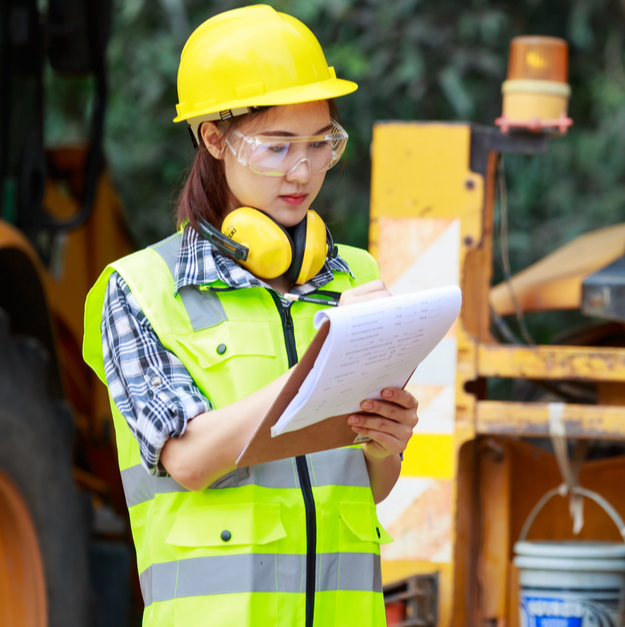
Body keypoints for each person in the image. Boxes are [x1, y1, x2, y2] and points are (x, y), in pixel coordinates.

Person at [82, 6, 415, 626]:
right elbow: (186, 459)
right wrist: (318, 369)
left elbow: (364, 488)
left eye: (321, 144)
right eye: (277, 147)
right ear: (214, 138)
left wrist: (384, 445)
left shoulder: (357, 278)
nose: (303, 171)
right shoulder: (140, 288)